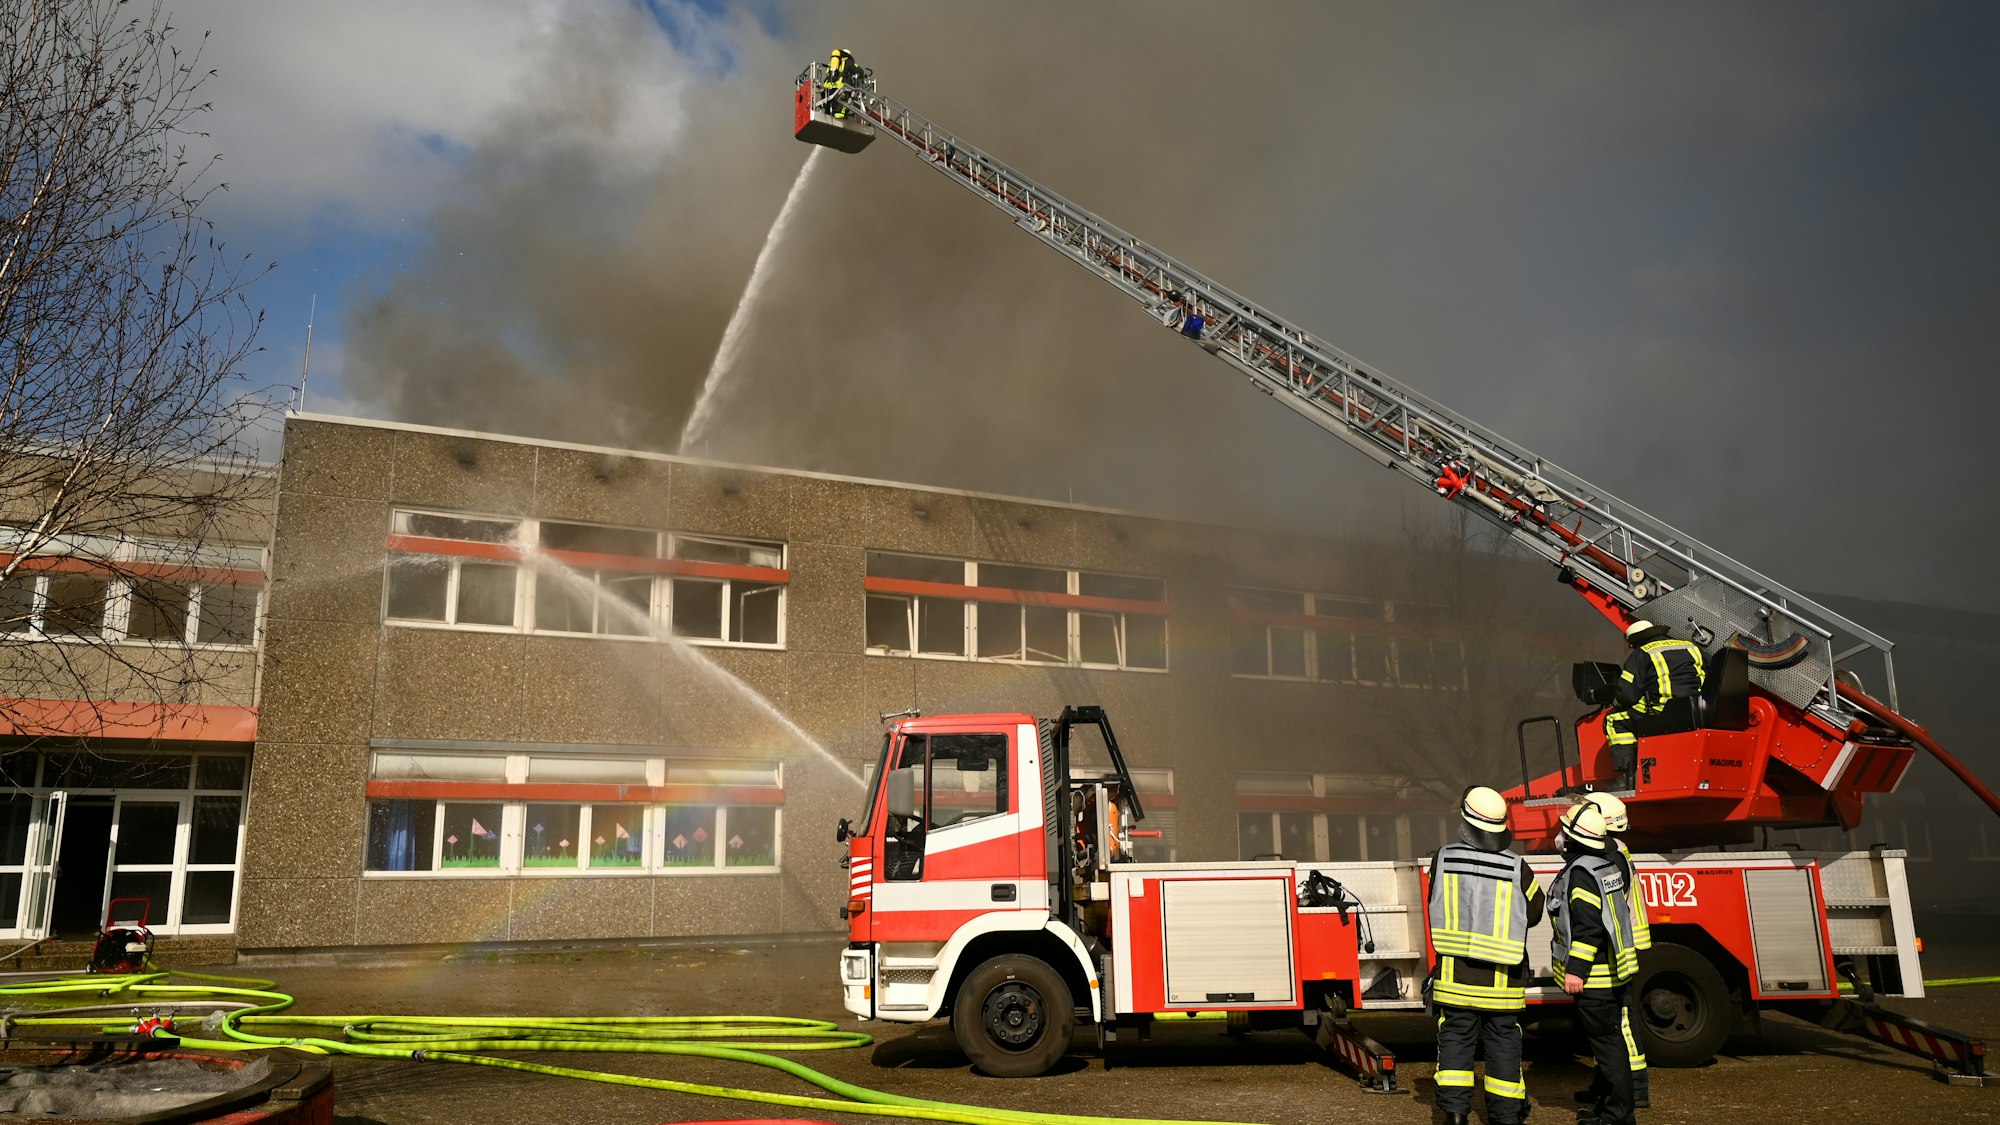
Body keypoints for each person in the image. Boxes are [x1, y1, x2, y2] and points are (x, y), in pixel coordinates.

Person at [1426, 786, 1545, 1125]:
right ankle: (1506, 1117)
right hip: (1503, 980)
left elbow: (1436, 901)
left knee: (1455, 1041)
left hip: (1455, 975)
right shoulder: (1517, 867)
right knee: (1504, 1043)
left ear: (1466, 820)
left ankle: (1455, 1115)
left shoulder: (1443, 858)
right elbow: (1534, 912)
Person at [1551, 803, 1643, 1125]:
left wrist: (1576, 970)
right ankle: (1607, 1109)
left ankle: (1619, 1116)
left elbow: (1588, 929)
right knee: (1608, 1046)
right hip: (1613, 974)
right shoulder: (1603, 866)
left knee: (1609, 1049)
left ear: (1574, 839)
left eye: (1564, 831)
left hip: (1598, 980)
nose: (1559, 836)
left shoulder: (1581, 873)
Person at [1576, 792, 1651, 1111]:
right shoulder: (1616, 851)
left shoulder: (1612, 856)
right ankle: (1607, 1082)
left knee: (1620, 1021)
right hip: (1618, 945)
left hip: (1616, 949)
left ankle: (1635, 1088)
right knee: (1606, 1024)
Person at [1601, 619, 1706, 790]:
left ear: (1635, 641)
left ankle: (1628, 777)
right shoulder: (1689, 646)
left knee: (1614, 719)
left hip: (1662, 710)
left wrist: (1614, 702)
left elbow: (1627, 695)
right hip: (1697, 709)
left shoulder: (1641, 654)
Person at [822, 49, 860, 119]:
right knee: (844, 98)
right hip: (841, 85)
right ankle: (839, 113)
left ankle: (828, 113)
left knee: (830, 101)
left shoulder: (833, 61)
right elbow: (859, 71)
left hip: (828, 85)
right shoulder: (848, 61)